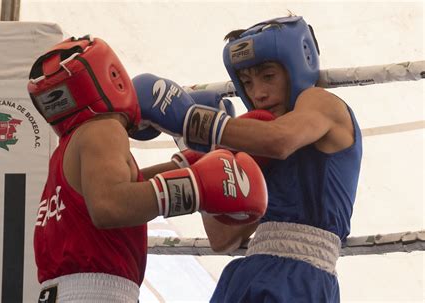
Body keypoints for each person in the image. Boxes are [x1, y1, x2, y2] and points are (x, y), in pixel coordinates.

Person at [135, 16, 362, 302]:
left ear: (298, 64)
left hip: (301, 277)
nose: (258, 93)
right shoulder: (256, 137)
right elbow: (222, 239)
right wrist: (211, 155)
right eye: (247, 82)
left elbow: (280, 141)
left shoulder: (318, 102)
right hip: (247, 274)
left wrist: (194, 122)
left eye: (268, 77)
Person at [27, 35, 268, 303]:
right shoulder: (103, 128)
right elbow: (110, 205)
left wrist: (186, 164)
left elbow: (126, 189)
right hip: (97, 293)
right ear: (113, 76)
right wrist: (194, 187)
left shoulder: (69, 148)